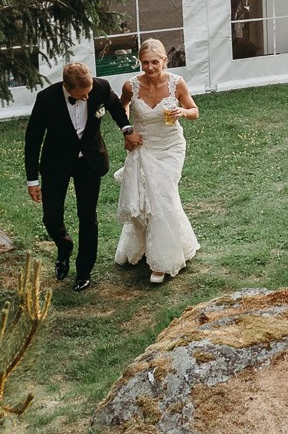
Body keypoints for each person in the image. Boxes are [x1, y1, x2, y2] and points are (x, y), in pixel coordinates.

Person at [26, 62, 141, 291]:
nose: (87, 98)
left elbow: (116, 107)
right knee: (51, 218)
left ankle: (84, 270)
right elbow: (33, 139)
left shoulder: (99, 87)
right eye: (81, 94)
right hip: (56, 164)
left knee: (87, 217)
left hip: (89, 162)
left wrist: (126, 128)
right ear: (67, 88)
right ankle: (64, 245)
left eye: (89, 93)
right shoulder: (46, 98)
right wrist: (32, 180)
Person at [114, 37, 201, 285]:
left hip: (171, 147)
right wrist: (127, 131)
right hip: (143, 146)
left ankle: (163, 261)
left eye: (155, 62)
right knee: (144, 198)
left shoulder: (177, 84)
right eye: (145, 63)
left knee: (164, 195)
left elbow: (194, 110)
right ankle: (143, 246)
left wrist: (182, 112)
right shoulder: (131, 86)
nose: (150, 67)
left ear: (164, 60)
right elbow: (121, 109)